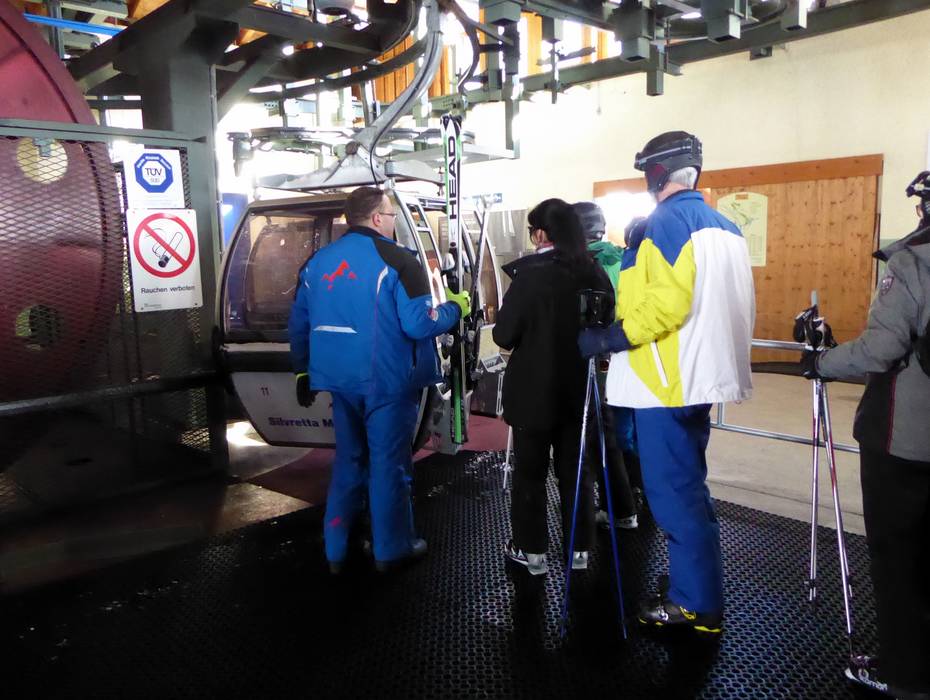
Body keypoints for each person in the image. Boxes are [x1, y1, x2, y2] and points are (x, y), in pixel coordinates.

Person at [578, 131, 755, 633]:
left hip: (665, 383)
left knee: (673, 496)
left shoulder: (664, 224)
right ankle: (696, 587)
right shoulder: (726, 226)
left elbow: (665, 305)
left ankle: (694, 605)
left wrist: (609, 337)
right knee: (690, 489)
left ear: (656, 173)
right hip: (701, 379)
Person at [288, 186, 470, 574]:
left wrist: (303, 369)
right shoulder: (399, 260)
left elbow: (299, 322)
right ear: (376, 218)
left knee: (348, 461)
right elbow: (419, 324)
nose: (392, 222)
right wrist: (456, 308)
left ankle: (337, 549)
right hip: (387, 382)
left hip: (338, 381)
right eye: (391, 215)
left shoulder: (317, 263)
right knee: (389, 465)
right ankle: (392, 549)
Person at [799, 173, 930, 700]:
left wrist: (822, 362)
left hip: (907, 436)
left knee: (899, 558)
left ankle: (906, 676)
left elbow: (881, 349)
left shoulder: (913, 262)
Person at [494, 198, 614, 576]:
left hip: (533, 393)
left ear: (541, 234)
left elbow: (504, 334)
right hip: (579, 391)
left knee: (530, 473)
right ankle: (579, 549)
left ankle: (531, 552)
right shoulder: (594, 272)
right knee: (576, 472)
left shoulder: (530, 275)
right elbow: (606, 323)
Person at [572, 201, 639, 530]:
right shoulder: (622, 257)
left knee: (602, 435)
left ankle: (614, 506)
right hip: (629, 356)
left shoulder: (586, 266)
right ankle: (635, 494)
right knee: (625, 429)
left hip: (599, 356)